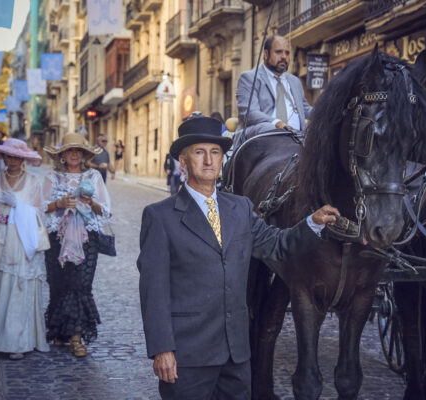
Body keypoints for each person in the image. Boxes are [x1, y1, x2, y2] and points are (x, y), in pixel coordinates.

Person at [137, 116, 339, 399]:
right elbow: (153, 292)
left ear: (222, 160)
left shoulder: (241, 208)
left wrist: (313, 223)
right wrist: (162, 349)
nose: (208, 160)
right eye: (199, 152)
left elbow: (277, 245)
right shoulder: (160, 217)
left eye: (215, 152)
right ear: (183, 163)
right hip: (188, 357)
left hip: (236, 356)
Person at [0, 138, 49, 360]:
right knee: (1, 286)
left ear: (24, 159)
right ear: (4, 157)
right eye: (9, 156)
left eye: (17, 156)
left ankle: (19, 342)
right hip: (0, 240)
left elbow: (40, 214)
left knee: (20, 287)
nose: (13, 160)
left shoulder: (35, 182)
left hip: (22, 239)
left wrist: (19, 206)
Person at [42, 133, 111, 357]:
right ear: (62, 155)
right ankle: (60, 333)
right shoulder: (52, 177)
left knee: (81, 285)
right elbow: (39, 207)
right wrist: (59, 203)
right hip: (57, 237)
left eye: (78, 150)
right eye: (69, 150)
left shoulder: (94, 176)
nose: (73, 154)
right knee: (59, 284)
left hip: (86, 238)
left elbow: (106, 210)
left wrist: (92, 203)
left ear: (83, 155)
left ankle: (76, 337)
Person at [234, 35, 313, 149]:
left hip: (298, 139)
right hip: (264, 135)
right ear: (266, 54)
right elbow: (249, 113)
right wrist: (277, 123)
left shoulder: (294, 81)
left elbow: (305, 109)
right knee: (270, 129)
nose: (284, 57)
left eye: (287, 53)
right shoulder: (250, 78)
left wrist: (326, 112)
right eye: (278, 52)